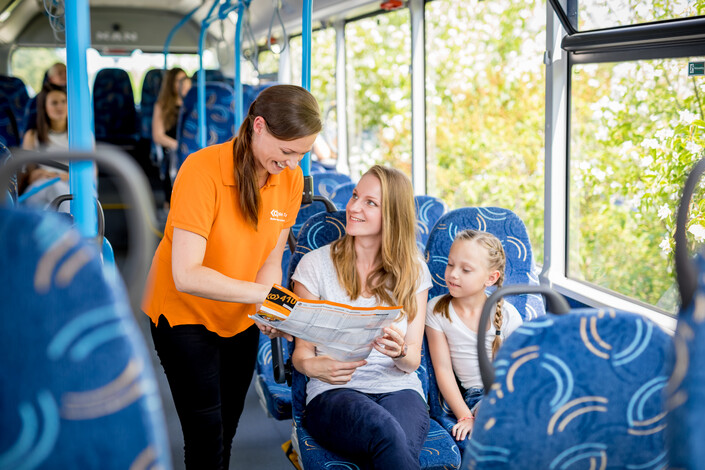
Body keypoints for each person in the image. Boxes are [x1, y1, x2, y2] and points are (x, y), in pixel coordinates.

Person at [141, 84, 321, 469]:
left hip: (238, 315)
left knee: (228, 427)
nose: (293, 163)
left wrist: (270, 309)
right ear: (258, 126)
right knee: (205, 434)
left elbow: (271, 260)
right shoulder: (201, 170)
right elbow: (187, 274)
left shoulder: (288, 179)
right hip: (184, 313)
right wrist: (266, 295)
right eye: (287, 151)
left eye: (303, 154)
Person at [291, 165, 432, 470]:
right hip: (333, 391)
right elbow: (301, 356)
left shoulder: (415, 270)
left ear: (392, 216)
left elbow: (413, 362)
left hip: (400, 388)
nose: (353, 207)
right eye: (355, 196)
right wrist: (314, 366)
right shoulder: (313, 266)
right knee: (388, 436)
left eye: (370, 202)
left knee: (395, 448)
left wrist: (401, 352)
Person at [425, 229, 523, 441]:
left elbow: (520, 369)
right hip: (478, 396)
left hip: (511, 390)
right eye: (450, 264)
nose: (453, 274)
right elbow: (443, 370)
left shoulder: (507, 314)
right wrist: (464, 416)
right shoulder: (437, 311)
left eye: (466, 269)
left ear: (490, 278)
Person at [19, 83, 70, 211]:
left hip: (70, 183)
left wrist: (61, 176)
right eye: (54, 103)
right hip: (41, 185)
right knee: (55, 189)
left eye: (64, 101)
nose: (60, 107)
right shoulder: (32, 135)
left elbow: (91, 173)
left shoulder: (83, 136)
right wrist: (37, 174)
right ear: (44, 107)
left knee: (54, 203)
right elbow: (28, 173)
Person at [152, 67, 191, 208]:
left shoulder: (193, 105)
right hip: (172, 150)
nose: (183, 84)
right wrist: (179, 146)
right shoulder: (162, 106)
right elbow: (158, 136)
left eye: (185, 80)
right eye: (178, 81)